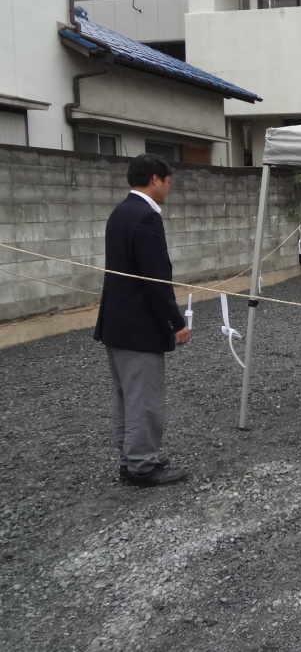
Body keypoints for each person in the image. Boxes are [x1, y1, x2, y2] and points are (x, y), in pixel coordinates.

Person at [94, 154, 191, 486]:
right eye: (167, 182)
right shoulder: (146, 217)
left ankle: (130, 458)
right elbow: (156, 276)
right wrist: (174, 322)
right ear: (154, 179)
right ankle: (143, 465)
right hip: (138, 325)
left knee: (126, 395)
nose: (167, 188)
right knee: (144, 397)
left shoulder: (119, 213)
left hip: (116, 323)